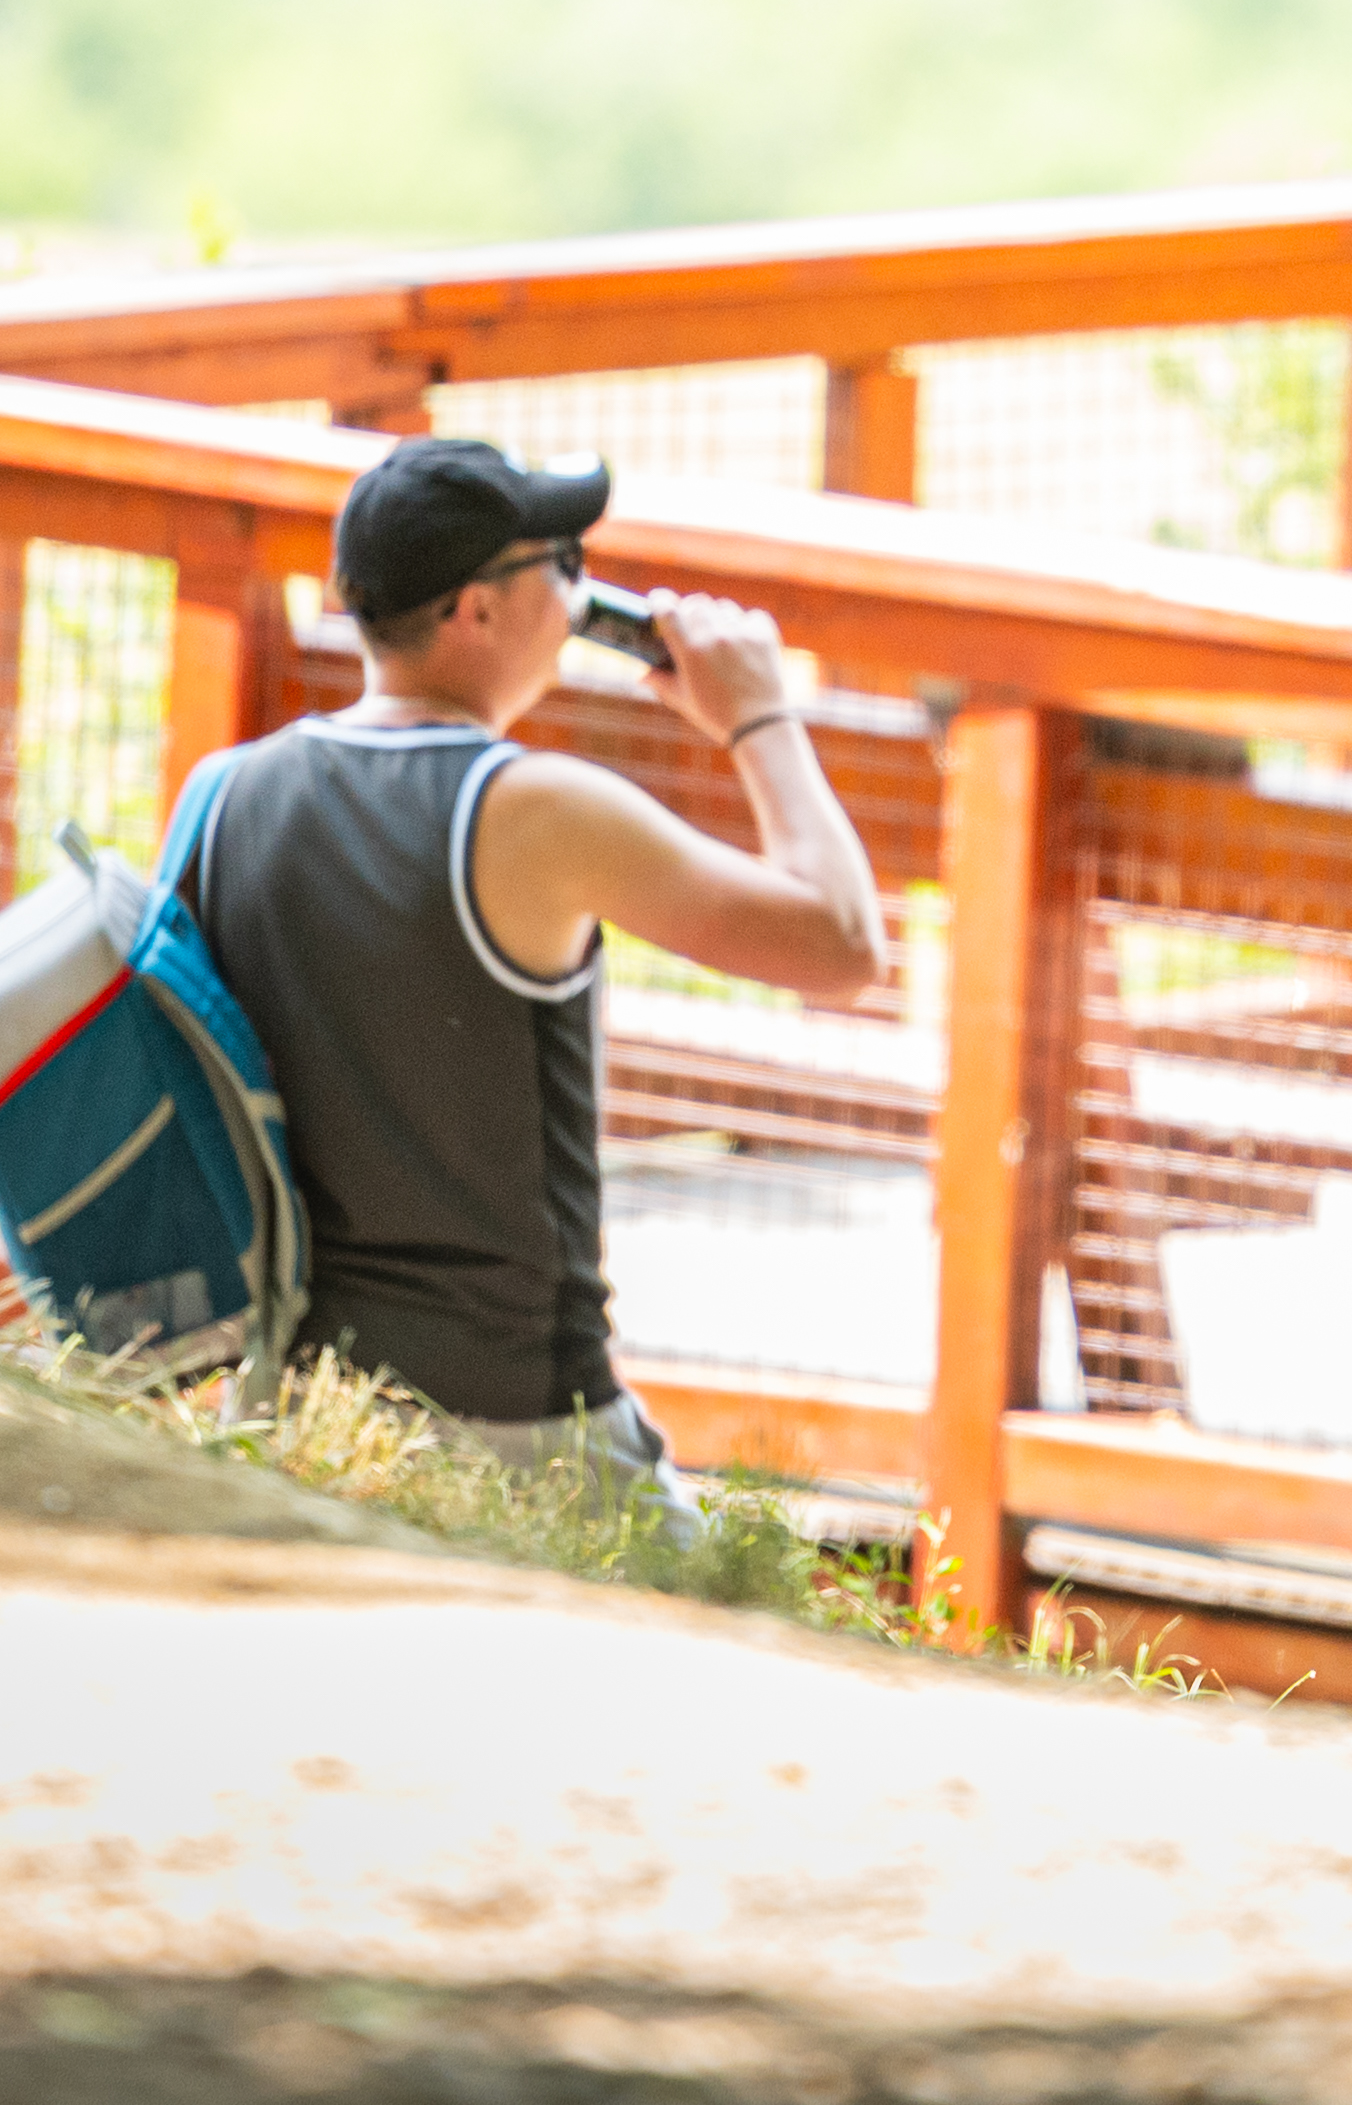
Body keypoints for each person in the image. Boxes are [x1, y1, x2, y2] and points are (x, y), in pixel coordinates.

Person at [180, 433, 886, 1476]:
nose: (580, 593)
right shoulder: (529, 807)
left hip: (300, 1405)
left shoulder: (221, 792)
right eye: (562, 567)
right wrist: (760, 717)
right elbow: (843, 944)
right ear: (476, 607)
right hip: (522, 1430)